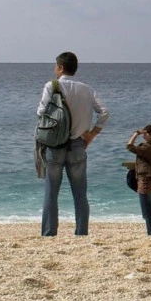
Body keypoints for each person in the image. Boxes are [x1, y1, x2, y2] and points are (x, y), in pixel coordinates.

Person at [37, 52, 110, 236]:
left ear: (61, 67)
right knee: (80, 193)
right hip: (78, 144)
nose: (55, 69)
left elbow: (41, 112)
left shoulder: (52, 86)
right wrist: (92, 134)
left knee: (51, 192)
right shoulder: (87, 89)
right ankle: (81, 232)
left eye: (56, 66)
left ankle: (49, 233)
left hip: (55, 144)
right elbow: (104, 112)